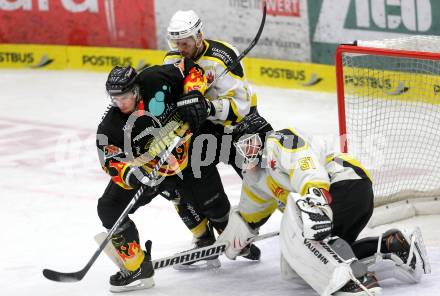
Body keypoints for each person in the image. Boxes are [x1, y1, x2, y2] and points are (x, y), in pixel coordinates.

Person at [216, 113, 430, 296]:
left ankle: (354, 279)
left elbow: (307, 167)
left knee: (304, 243)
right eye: (242, 146)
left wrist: (314, 198)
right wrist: (234, 237)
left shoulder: (279, 141)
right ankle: (393, 244)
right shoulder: (256, 177)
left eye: (250, 143)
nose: (246, 151)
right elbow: (250, 213)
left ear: (263, 135)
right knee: (299, 269)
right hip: (347, 195)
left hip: (344, 183)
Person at [96, 61, 232, 292]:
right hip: (149, 170)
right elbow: (110, 161)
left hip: (189, 153)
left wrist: (192, 95)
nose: (120, 103)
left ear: (136, 88)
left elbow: (191, 69)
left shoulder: (157, 78)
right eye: (114, 99)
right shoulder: (110, 127)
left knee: (214, 206)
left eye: (125, 96)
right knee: (108, 208)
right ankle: (137, 268)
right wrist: (134, 175)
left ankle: (225, 234)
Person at [162, 9, 266, 262]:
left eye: (184, 43)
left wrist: (209, 106)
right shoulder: (172, 59)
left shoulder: (223, 57)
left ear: (199, 37)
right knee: (197, 176)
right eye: (175, 43)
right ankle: (227, 233)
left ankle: (309, 226)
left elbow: (241, 106)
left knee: (266, 177)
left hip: (241, 126)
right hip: (205, 130)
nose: (180, 48)